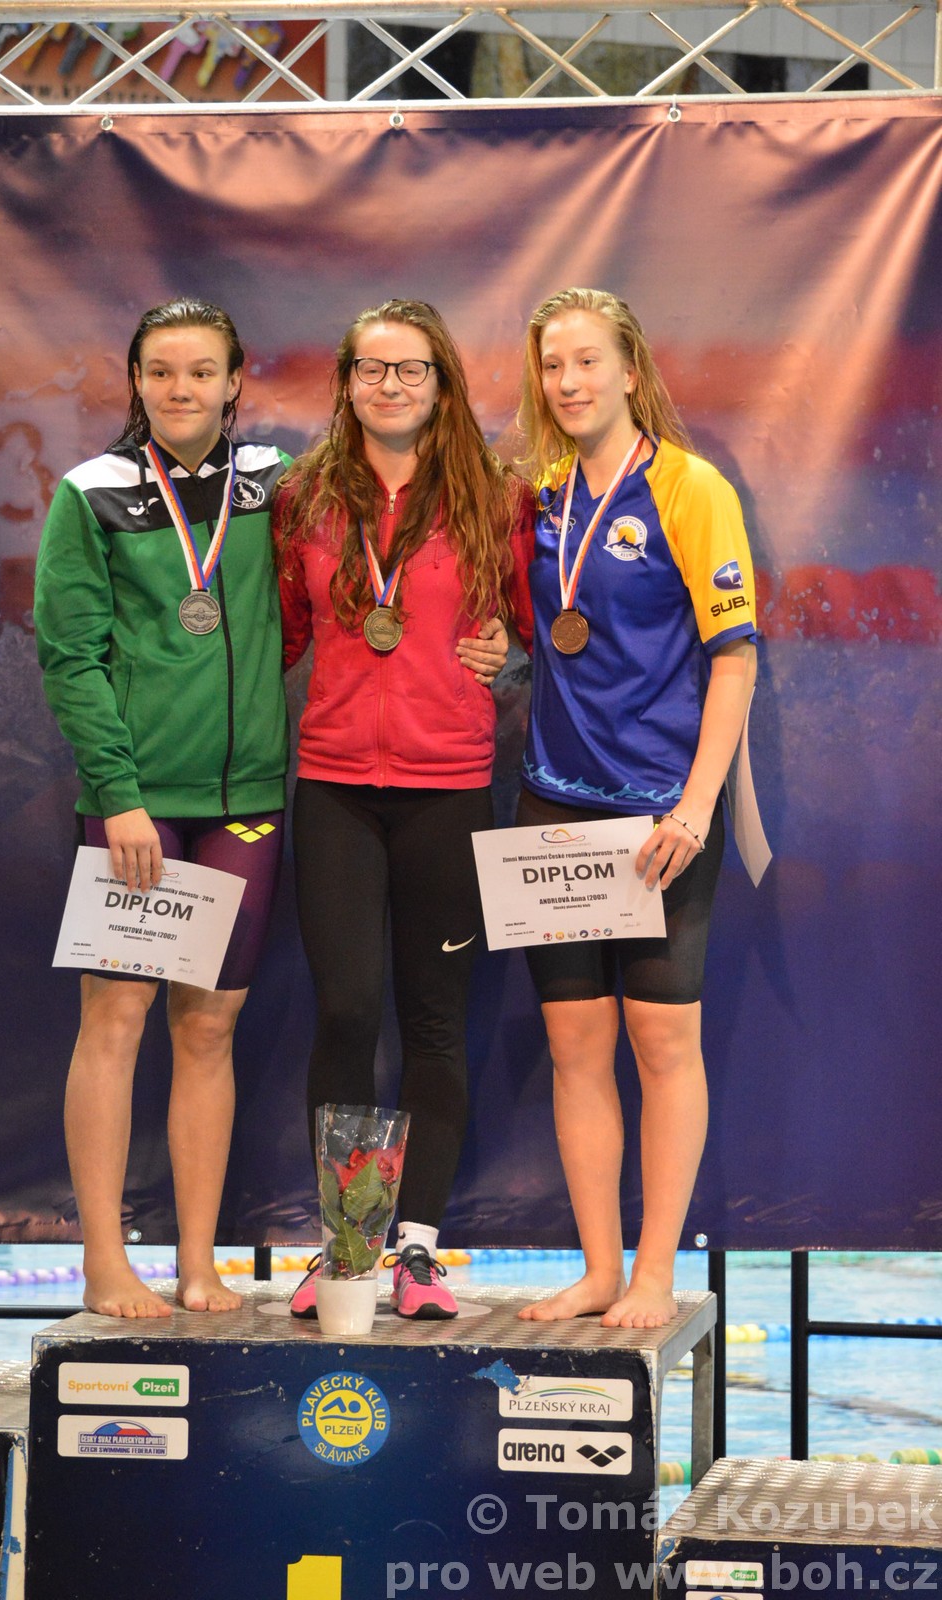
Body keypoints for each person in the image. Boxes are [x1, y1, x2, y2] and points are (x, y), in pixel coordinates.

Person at [276, 299, 534, 1319]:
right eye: (372, 369)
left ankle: (416, 1251)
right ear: (345, 382)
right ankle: (346, 1248)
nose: (390, 386)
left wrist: (505, 652)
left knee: (433, 1021)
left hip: (449, 790)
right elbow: (277, 634)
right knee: (346, 1011)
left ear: (441, 383)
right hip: (336, 787)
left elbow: (537, 625)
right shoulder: (303, 499)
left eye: (411, 369)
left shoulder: (494, 497)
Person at [35, 298, 289, 1318]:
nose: (181, 389)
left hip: (246, 804)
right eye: (160, 372)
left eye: (200, 372)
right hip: (137, 808)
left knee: (209, 1027)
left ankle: (197, 1264)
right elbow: (71, 659)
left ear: (235, 381)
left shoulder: (274, 484)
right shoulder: (89, 493)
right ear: (135, 381)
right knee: (116, 1016)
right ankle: (105, 1262)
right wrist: (120, 797)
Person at [514, 288, 758, 1328]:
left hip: (662, 819)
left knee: (662, 1047)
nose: (568, 382)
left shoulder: (690, 488)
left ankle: (654, 1272)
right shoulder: (539, 496)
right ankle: (599, 1270)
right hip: (553, 808)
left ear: (628, 369)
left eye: (585, 361)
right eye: (551, 366)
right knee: (575, 1049)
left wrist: (695, 809)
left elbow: (734, 658)